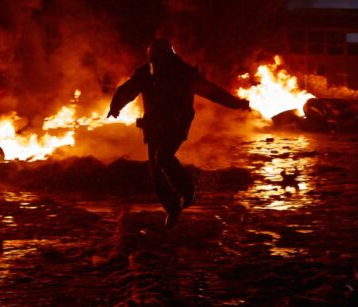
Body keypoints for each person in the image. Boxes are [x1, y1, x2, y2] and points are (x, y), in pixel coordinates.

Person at [107, 38, 250, 228]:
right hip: (153, 125)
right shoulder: (146, 73)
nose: (158, 63)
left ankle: (187, 191)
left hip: (176, 124)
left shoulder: (183, 73)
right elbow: (128, 89)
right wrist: (116, 106)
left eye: (160, 59)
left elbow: (211, 92)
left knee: (163, 157)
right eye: (155, 59)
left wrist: (236, 103)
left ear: (168, 57)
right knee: (156, 172)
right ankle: (173, 209)